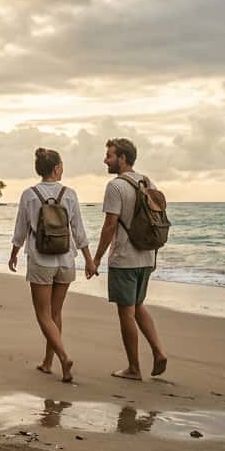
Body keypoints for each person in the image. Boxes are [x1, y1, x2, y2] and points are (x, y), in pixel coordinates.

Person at [9, 147, 93, 383]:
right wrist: (88, 259)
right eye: (62, 165)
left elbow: (21, 229)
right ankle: (48, 362)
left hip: (41, 260)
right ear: (56, 168)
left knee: (43, 315)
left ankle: (63, 357)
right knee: (55, 313)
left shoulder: (29, 194)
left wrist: (14, 253)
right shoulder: (70, 193)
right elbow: (78, 230)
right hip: (66, 260)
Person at [89, 137, 168, 381]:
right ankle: (158, 351)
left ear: (123, 158)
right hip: (146, 256)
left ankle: (134, 368)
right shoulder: (147, 181)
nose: (106, 160)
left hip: (124, 258)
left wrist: (98, 258)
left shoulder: (115, 186)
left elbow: (110, 225)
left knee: (126, 313)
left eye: (110, 156)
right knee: (138, 306)